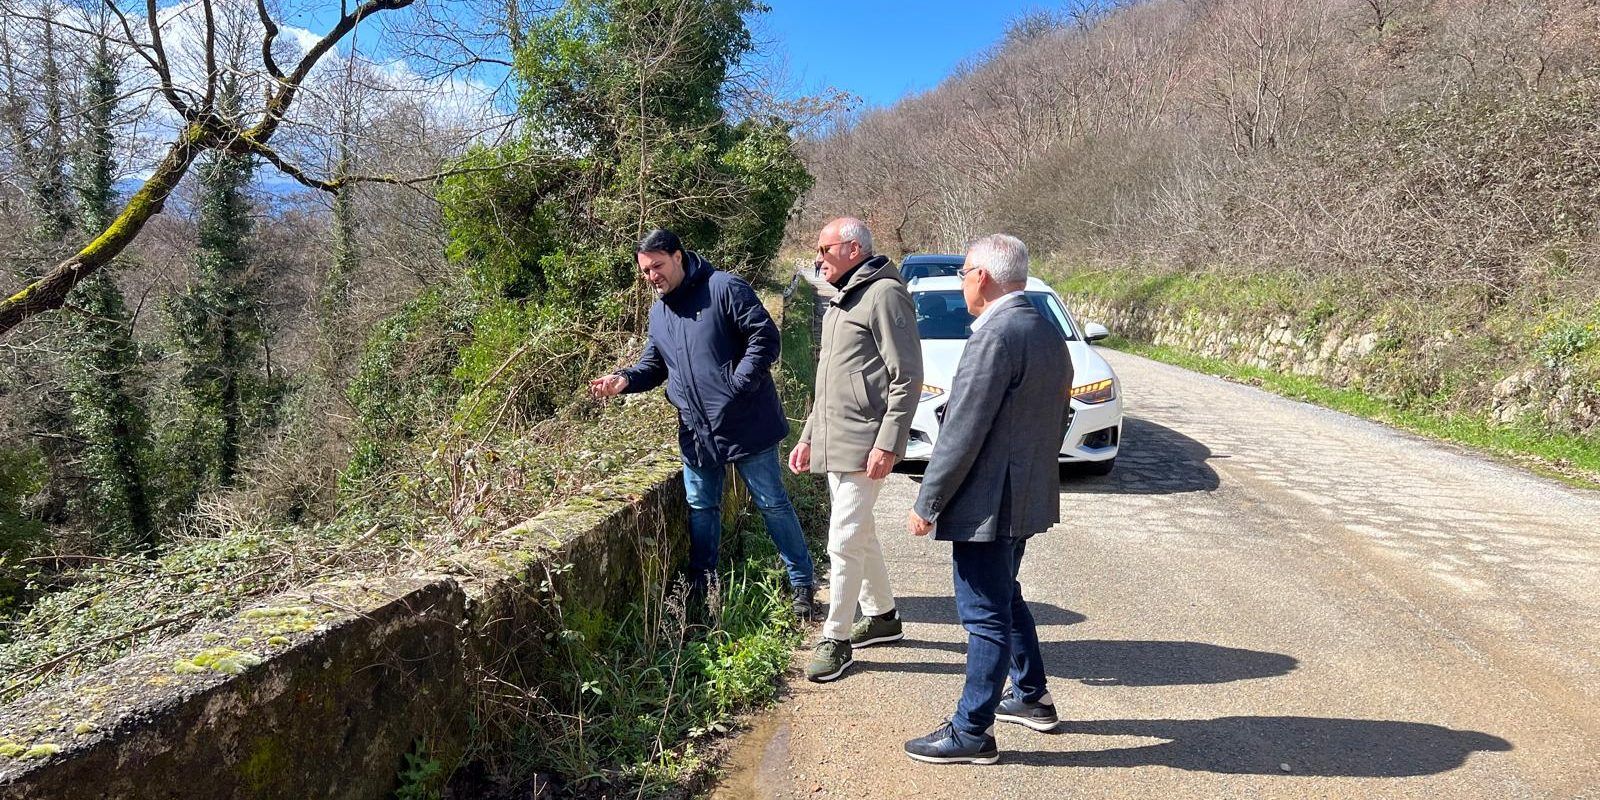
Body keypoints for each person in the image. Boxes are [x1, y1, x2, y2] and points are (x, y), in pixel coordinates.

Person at [903, 234, 1072, 764]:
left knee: (984, 617)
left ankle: (972, 730)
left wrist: (928, 501)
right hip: (1023, 495)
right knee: (1005, 594)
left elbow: (962, 431)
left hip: (988, 504)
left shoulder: (995, 335)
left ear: (980, 275)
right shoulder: (1045, 330)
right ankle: (1032, 696)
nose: (962, 283)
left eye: (963, 273)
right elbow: (1056, 417)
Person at [590, 229, 817, 620]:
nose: (652, 277)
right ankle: (702, 587)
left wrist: (736, 386)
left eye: (657, 266)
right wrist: (624, 379)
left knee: (773, 505)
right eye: (645, 272)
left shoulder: (725, 288)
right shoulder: (659, 312)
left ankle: (801, 583)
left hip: (747, 422)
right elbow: (655, 365)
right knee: (701, 508)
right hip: (696, 431)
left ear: (678, 256)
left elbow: (765, 338)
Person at [787, 217, 923, 682]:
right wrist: (808, 436)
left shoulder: (884, 294)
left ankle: (837, 638)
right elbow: (829, 383)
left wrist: (888, 442)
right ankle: (883, 617)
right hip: (836, 440)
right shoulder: (843, 298)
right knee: (858, 533)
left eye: (824, 249)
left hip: (866, 444)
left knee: (843, 540)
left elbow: (907, 376)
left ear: (851, 249)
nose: (817, 259)